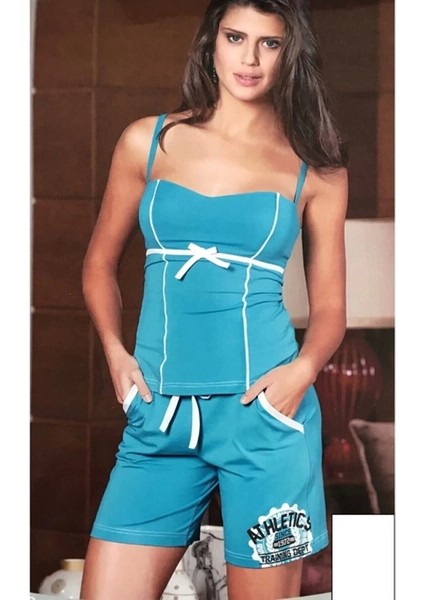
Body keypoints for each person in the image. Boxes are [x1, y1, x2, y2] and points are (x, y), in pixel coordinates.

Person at [80, 0, 348, 598]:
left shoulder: (316, 168)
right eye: (235, 37)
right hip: (159, 416)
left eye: (270, 43)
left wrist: (301, 372)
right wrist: (115, 353)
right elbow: (99, 265)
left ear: (290, 54)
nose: (249, 59)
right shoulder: (148, 141)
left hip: (265, 420)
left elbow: (331, 309)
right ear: (211, 42)